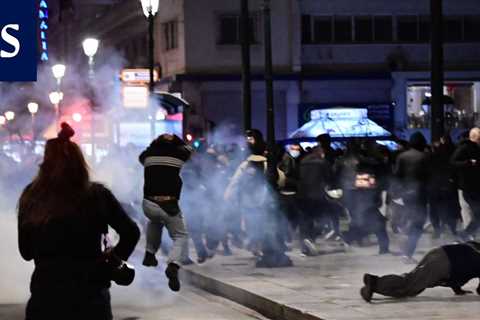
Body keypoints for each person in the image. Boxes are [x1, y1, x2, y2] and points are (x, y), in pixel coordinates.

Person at [18, 123, 140, 320]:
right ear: (80, 162)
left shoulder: (31, 196)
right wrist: (111, 263)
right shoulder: (98, 194)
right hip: (91, 296)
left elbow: (26, 252)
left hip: (46, 297)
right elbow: (131, 232)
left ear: (45, 163)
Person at [139, 133, 193, 292]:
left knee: (155, 221)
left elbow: (143, 154)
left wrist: (155, 143)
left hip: (148, 203)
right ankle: (173, 265)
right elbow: (188, 149)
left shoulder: (147, 155)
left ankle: (149, 253)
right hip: (168, 203)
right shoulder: (179, 154)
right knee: (180, 236)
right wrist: (176, 140)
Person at [360, 241, 480, 302]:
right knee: (409, 286)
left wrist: (457, 289)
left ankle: (375, 283)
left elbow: (465, 260)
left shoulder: (476, 248)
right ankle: (375, 283)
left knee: (412, 281)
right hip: (443, 263)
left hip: (438, 252)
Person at [393, 132, 430, 263]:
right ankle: (407, 252)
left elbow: (397, 176)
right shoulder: (425, 157)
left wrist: (397, 193)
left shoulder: (402, 156)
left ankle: (404, 241)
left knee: (408, 219)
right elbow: (429, 177)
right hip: (420, 194)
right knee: (418, 224)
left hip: (406, 194)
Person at [451, 127, 480, 241]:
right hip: (467, 186)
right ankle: (466, 236)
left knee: (474, 214)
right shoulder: (464, 148)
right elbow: (453, 162)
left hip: (474, 186)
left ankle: (467, 235)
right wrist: (469, 162)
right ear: (476, 138)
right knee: (472, 213)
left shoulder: (476, 148)